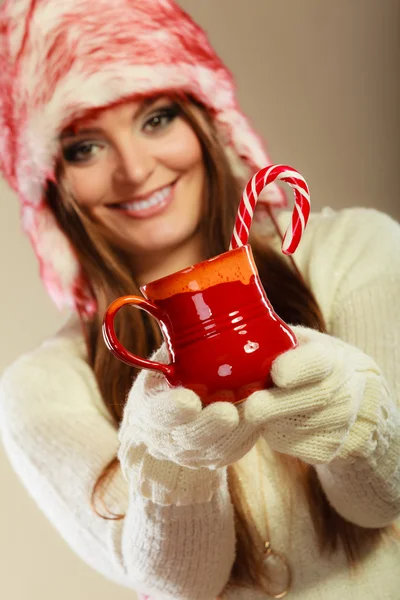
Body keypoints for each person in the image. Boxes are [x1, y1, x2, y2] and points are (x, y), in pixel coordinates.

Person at [0, 1, 399, 599]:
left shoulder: (353, 250)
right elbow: (180, 581)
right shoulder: (41, 388)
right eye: (85, 147)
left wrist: (352, 416)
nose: (135, 170)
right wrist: (171, 462)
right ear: (50, 183)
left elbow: (381, 502)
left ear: (207, 120)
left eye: (157, 118)